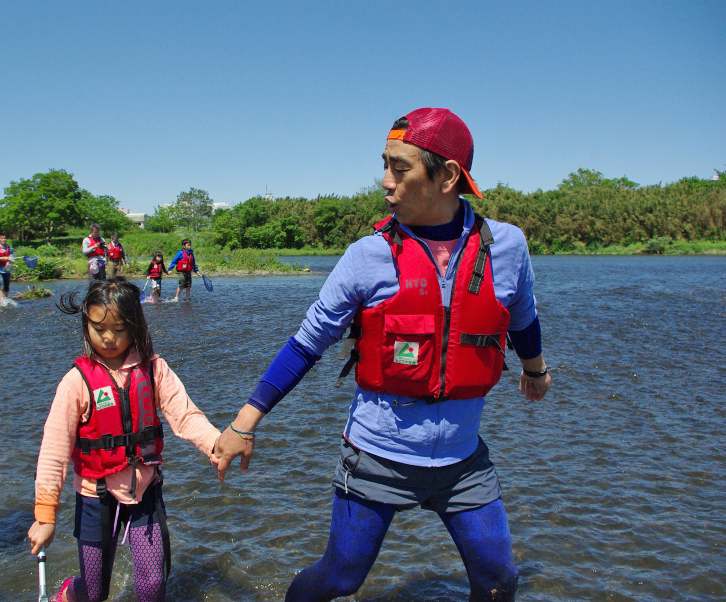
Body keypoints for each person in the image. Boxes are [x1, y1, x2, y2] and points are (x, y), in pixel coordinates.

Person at [214, 108, 552, 602]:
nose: (385, 181)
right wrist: (244, 423)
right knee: (340, 579)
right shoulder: (366, 256)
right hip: (376, 456)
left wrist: (535, 370)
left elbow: (522, 318)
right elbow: (308, 342)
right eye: (385, 165)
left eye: (400, 168)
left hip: (462, 460)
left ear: (448, 177)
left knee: (500, 582)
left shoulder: (507, 247)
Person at [27, 278, 220, 602]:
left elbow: (185, 416)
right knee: (93, 592)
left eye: (118, 328)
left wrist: (215, 443)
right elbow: (54, 450)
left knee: (152, 585)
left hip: (145, 491)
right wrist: (45, 514)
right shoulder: (76, 382)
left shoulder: (154, 369)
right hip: (95, 496)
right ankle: (67, 595)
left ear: (135, 326)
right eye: (99, 327)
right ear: (86, 324)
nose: (108, 337)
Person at [0, 233, 15, 300]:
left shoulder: (9, 248)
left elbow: (12, 257)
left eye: (4, 238)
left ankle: (6, 299)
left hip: (7, 270)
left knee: (7, 286)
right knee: (1, 285)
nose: (4, 239)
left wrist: (10, 259)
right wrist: (3, 258)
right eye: (2, 238)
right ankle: (2, 300)